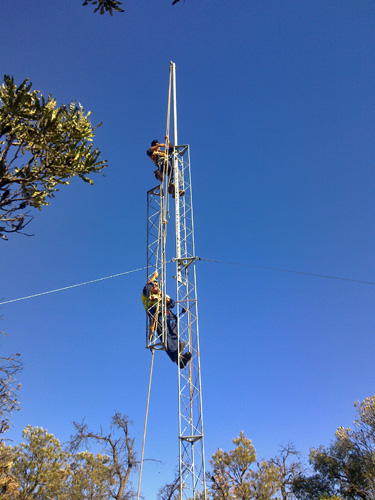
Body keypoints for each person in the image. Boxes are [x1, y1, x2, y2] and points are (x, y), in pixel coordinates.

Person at [141, 270, 192, 369]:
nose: (155, 287)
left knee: (173, 334)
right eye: (153, 286)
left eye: (156, 285)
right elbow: (147, 288)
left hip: (168, 315)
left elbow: (172, 303)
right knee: (166, 336)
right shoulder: (146, 295)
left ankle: (180, 360)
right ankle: (177, 354)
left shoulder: (161, 294)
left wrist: (166, 299)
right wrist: (153, 277)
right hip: (157, 316)